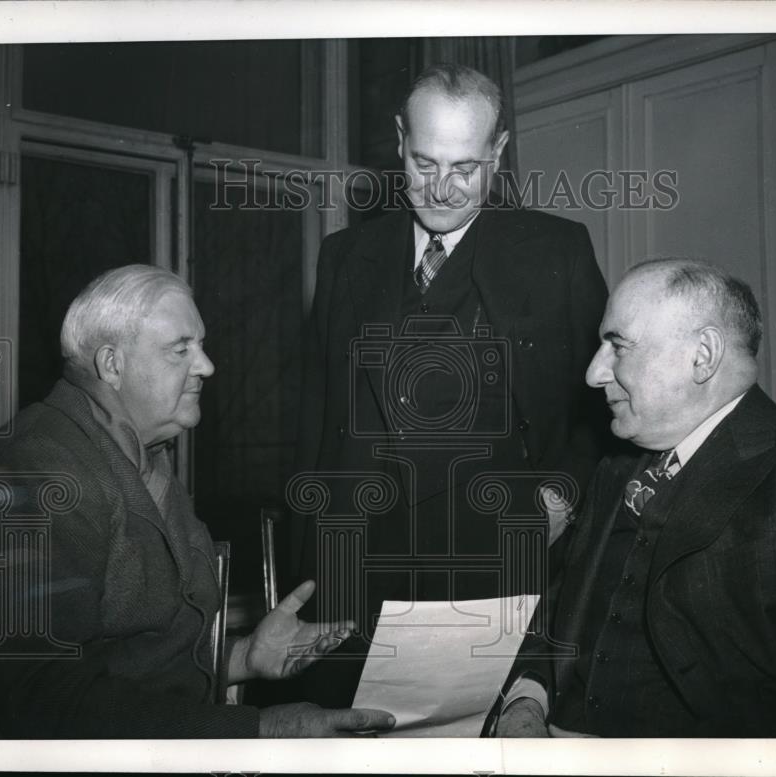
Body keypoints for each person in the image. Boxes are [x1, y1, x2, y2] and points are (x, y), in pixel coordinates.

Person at [290, 64, 609, 706]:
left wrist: (560, 496)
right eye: (424, 161)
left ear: (498, 152)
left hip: (498, 560)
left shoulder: (558, 249)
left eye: (465, 167)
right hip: (361, 570)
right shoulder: (344, 257)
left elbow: (602, 403)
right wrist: (310, 572)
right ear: (399, 139)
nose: (441, 189)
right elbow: (316, 423)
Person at [0, 265, 394, 738]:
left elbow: (134, 662)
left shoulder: (140, 454)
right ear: (111, 364)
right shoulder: (42, 471)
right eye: (181, 349)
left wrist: (244, 656)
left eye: (201, 345)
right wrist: (260, 732)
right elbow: (43, 702)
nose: (207, 366)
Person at [496, 258, 776, 737]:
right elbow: (554, 612)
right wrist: (527, 699)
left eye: (618, 346)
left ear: (702, 354)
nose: (593, 373)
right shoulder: (613, 469)